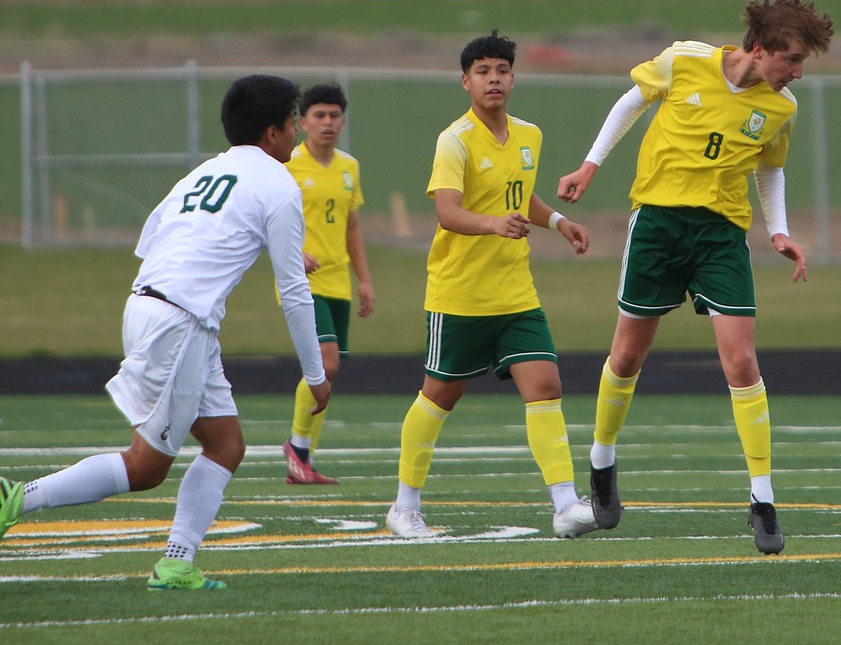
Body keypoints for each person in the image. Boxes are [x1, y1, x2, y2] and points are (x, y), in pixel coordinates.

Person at [0, 75, 330, 590]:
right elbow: (294, 293)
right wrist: (315, 373)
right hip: (180, 322)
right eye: (293, 124)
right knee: (148, 466)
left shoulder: (204, 172)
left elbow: (155, 239)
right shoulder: (280, 184)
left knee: (226, 445)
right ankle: (18, 499)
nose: (299, 134)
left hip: (157, 307)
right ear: (272, 133)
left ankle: (177, 562)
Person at [556, 0, 834, 555]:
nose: (799, 73)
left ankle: (762, 501)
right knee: (627, 356)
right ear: (760, 49)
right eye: (793, 60)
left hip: (721, 238)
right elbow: (630, 102)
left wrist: (778, 231)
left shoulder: (782, 108)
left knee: (742, 361)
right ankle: (603, 462)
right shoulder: (684, 60)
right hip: (657, 225)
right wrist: (590, 165)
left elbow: (771, 170)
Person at [385, 31, 598, 540]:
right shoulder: (454, 140)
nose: (494, 79)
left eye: (502, 70)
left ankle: (566, 506)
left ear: (513, 78)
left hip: (515, 291)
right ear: (466, 82)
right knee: (439, 396)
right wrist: (494, 224)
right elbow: (448, 211)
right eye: (483, 71)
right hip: (459, 293)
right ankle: (404, 507)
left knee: (545, 386)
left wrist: (558, 222)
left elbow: (522, 198)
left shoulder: (529, 135)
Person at [280, 83, 375, 484]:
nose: (328, 122)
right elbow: (268, 222)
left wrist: (365, 280)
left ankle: (303, 460)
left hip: (338, 282)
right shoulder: (287, 168)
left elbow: (352, 227)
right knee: (326, 362)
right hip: (302, 282)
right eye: (319, 115)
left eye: (334, 115)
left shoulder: (349, 167)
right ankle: (297, 448)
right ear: (302, 123)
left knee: (329, 371)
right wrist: (292, 253)